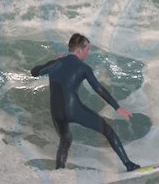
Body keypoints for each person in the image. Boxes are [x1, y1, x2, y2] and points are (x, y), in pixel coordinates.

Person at [30, 34, 141, 172]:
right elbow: (99, 89)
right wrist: (117, 107)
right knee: (108, 131)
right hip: (73, 110)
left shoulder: (55, 64)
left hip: (56, 112)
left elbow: (34, 72)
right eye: (87, 49)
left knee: (65, 140)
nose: (88, 53)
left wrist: (52, 61)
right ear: (79, 50)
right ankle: (129, 165)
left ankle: (59, 173)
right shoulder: (83, 68)